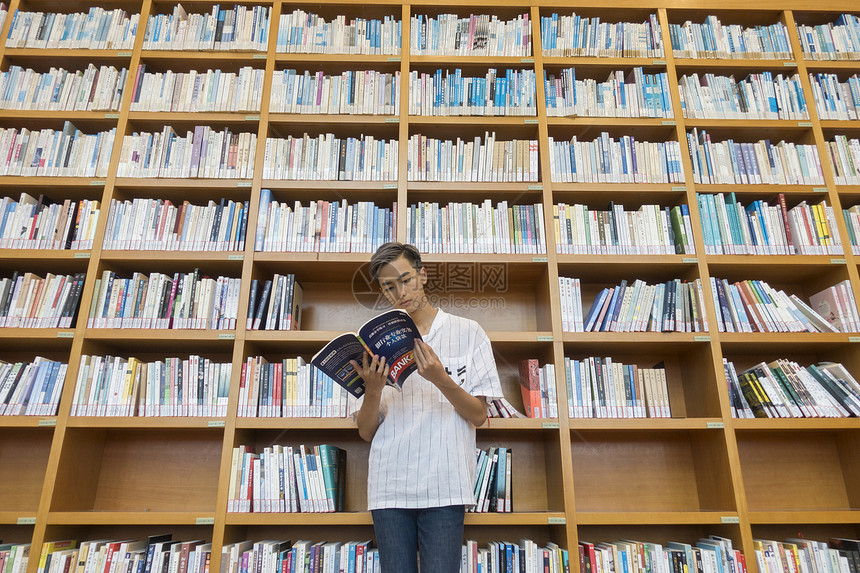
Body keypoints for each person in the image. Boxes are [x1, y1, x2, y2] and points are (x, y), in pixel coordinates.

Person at [349, 242, 503, 573]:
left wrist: (440, 378)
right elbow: (365, 431)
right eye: (388, 287)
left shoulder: (468, 332)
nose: (399, 292)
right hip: (390, 485)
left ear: (423, 275)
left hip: (446, 483)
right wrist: (373, 390)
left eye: (405, 279)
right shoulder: (374, 343)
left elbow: (478, 415)